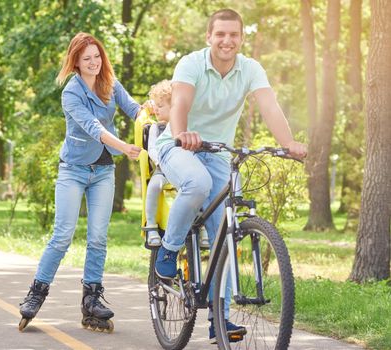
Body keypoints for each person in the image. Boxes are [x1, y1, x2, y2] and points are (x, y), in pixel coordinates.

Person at [152, 9, 307, 343]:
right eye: (220, 34)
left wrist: (288, 143)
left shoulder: (250, 69)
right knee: (197, 184)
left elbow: (270, 106)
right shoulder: (191, 63)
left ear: (241, 38)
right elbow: (179, 103)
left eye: (233, 35)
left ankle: (218, 321)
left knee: (225, 231)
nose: (227, 41)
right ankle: (169, 251)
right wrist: (182, 134)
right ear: (209, 36)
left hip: (218, 152)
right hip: (177, 145)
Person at [18, 32, 142, 333]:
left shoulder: (110, 84)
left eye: (96, 56)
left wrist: (154, 120)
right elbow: (93, 127)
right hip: (73, 169)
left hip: (102, 171)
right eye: (86, 58)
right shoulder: (70, 93)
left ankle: (92, 300)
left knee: (98, 238)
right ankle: (36, 293)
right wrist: (125, 147)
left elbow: (136, 110)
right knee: (62, 236)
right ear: (75, 63)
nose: (93, 62)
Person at [143, 80, 209, 249]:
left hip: (183, 170)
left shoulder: (186, 125)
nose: (157, 109)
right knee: (154, 186)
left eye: (161, 106)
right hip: (163, 169)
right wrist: (162, 161)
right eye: (155, 106)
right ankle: (151, 226)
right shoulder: (155, 129)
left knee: (197, 190)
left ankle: (201, 228)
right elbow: (152, 149)